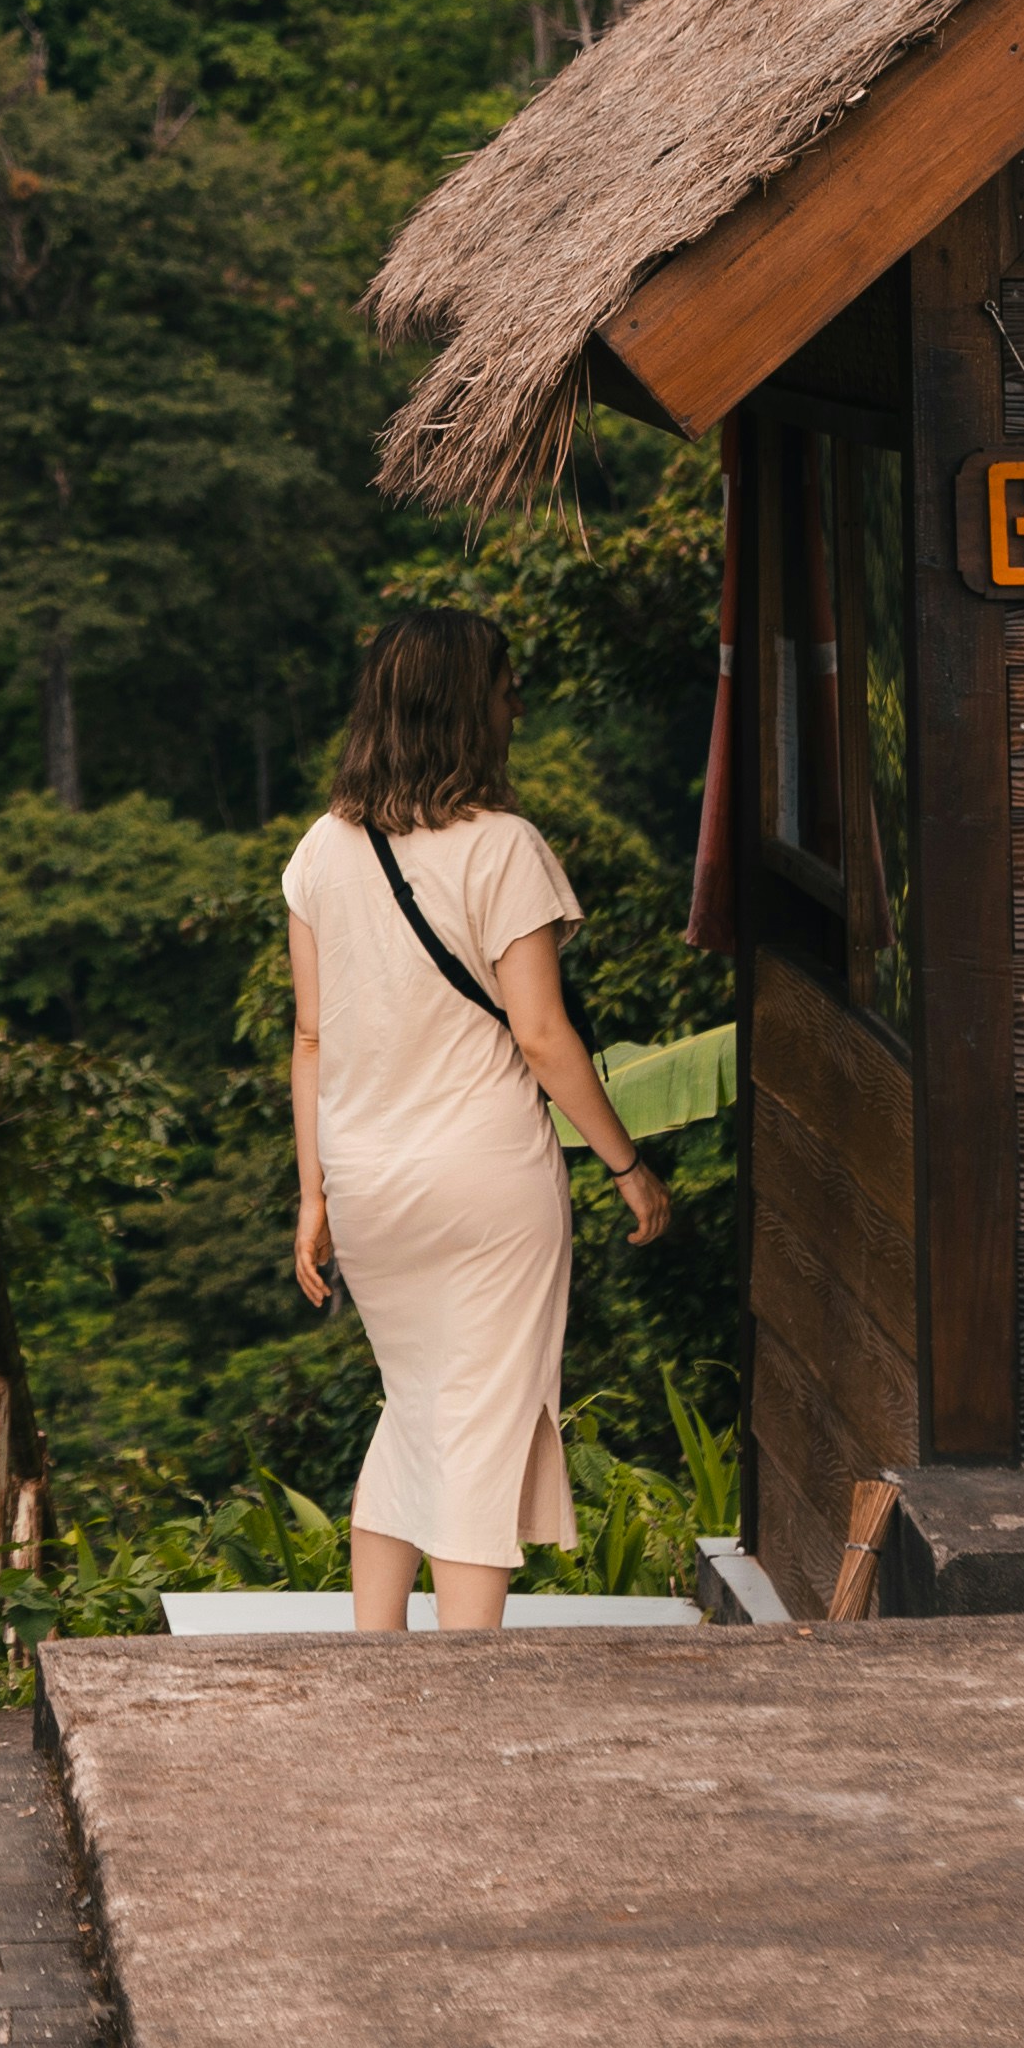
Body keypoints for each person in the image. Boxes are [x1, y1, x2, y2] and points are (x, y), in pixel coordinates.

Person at [284, 602, 669, 1633]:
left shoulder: (323, 848)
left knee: (415, 1413)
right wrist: (626, 1165)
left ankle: (375, 1655)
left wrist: (311, 1194)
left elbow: (310, 1039)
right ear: (467, 710)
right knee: (480, 1426)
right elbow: (541, 1036)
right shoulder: (504, 848)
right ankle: (463, 1688)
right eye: (504, 687)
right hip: (484, 1181)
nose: (516, 703)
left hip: (365, 1182)